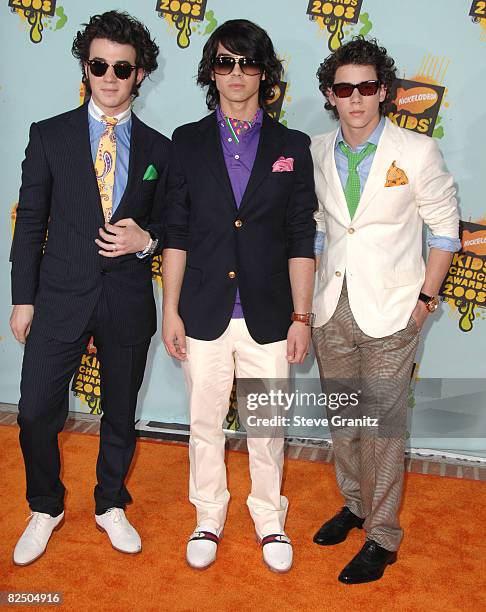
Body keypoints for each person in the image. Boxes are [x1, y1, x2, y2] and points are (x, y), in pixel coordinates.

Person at [10, 10, 170, 566]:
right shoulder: (49, 135)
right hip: (58, 295)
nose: (109, 76)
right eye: (99, 65)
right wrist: (22, 298)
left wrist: (146, 240)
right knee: (34, 411)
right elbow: (30, 221)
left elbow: (175, 228)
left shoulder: (159, 149)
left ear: (140, 74)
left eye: (121, 69)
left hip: (126, 298)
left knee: (120, 412)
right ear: (85, 66)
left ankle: (109, 503)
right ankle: (46, 504)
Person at [162, 19, 316, 573]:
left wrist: (302, 315)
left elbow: (302, 234)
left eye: (248, 63)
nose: (236, 73)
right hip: (202, 308)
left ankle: (269, 518)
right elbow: (176, 231)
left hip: (271, 313)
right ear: (211, 70)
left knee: (267, 425)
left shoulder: (291, 145)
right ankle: (208, 514)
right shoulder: (187, 141)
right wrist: (170, 308)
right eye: (225, 62)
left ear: (265, 72)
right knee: (204, 422)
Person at [310, 37, 460, 584]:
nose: (356, 98)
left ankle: (383, 535)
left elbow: (445, 232)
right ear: (331, 94)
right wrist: (307, 304)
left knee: (383, 430)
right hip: (332, 310)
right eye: (345, 88)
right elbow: (323, 231)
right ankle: (354, 505)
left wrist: (424, 303)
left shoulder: (417, 151)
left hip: (393, 314)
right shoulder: (317, 150)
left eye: (367, 87)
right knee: (346, 423)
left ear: (385, 92)